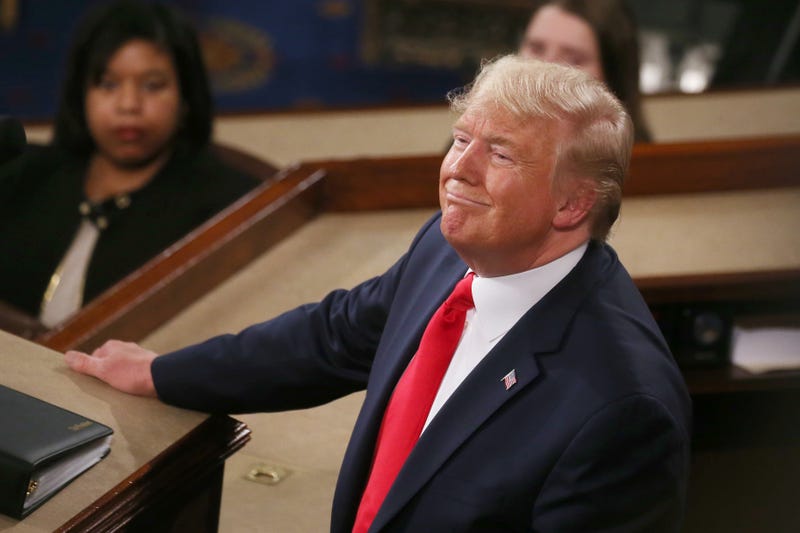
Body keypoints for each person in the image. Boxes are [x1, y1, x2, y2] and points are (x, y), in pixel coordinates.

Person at [66, 56, 691, 531]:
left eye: (499, 154)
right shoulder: (447, 247)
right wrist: (163, 375)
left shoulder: (623, 410)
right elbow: (334, 337)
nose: (457, 169)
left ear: (573, 203)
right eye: (461, 138)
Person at [0, 0, 260, 327]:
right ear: (80, 94)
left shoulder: (229, 206)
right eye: (108, 84)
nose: (129, 105)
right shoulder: (23, 173)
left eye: (153, 85)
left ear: (186, 98)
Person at [519, 0, 653, 142]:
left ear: (613, 81)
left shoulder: (643, 161)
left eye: (574, 60)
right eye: (536, 49)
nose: (545, 70)